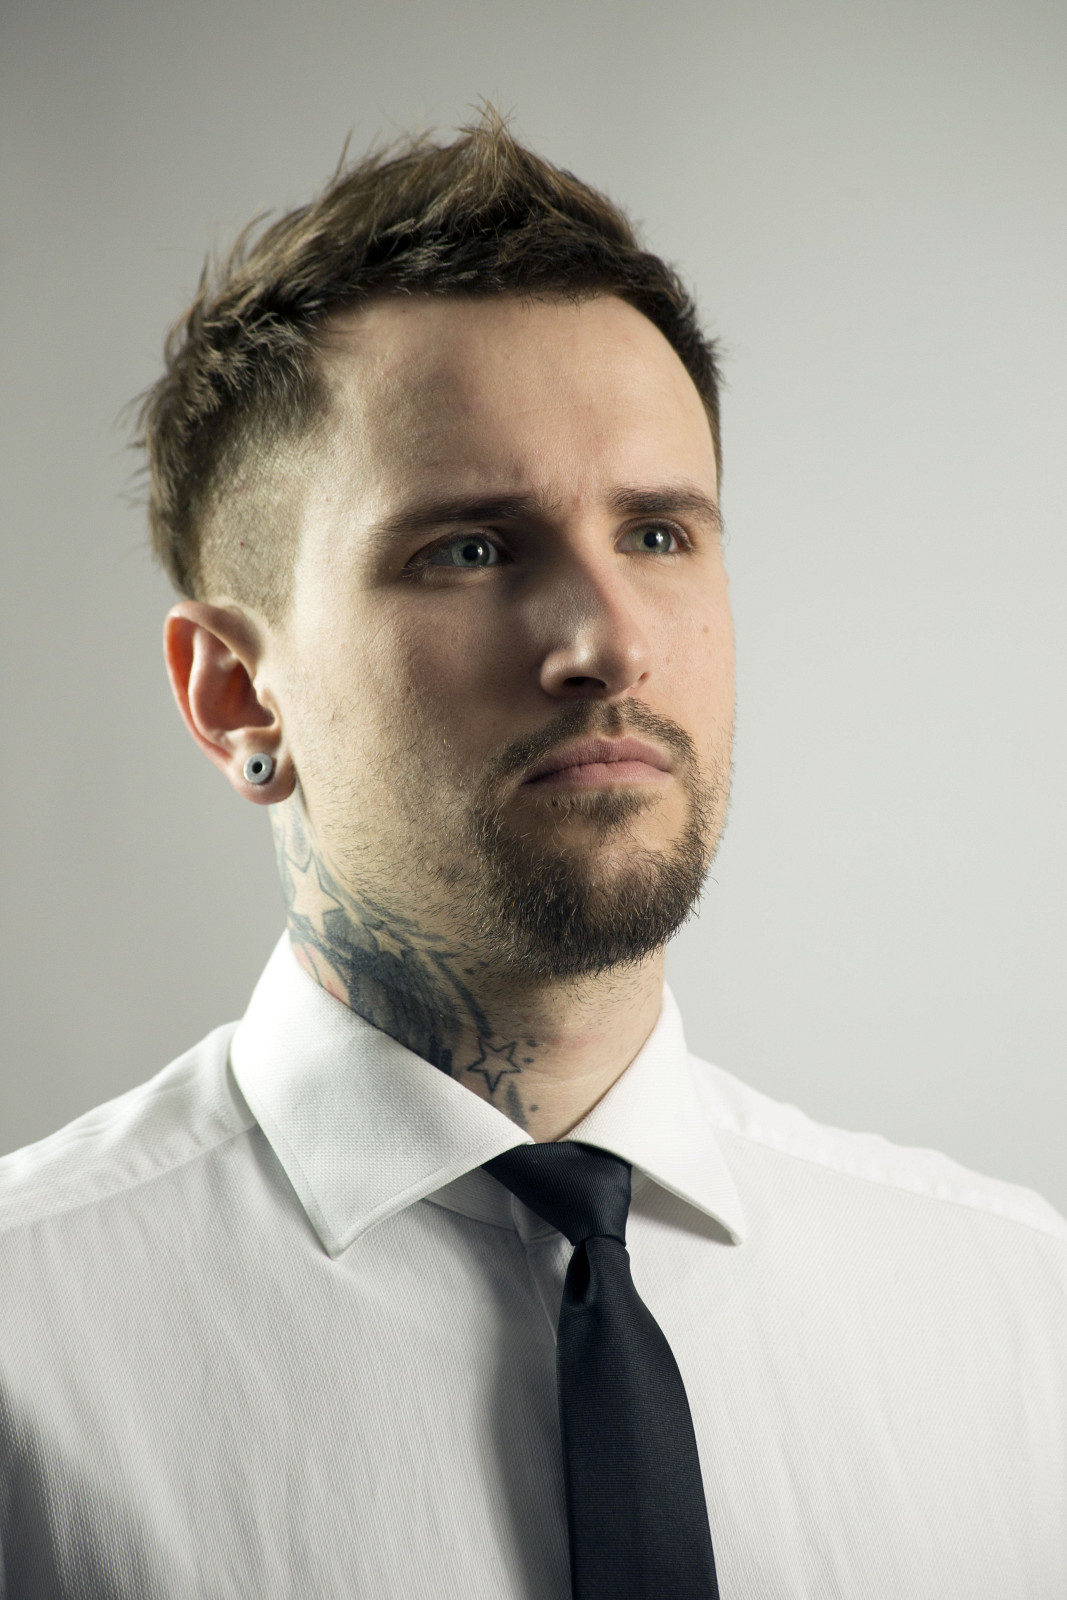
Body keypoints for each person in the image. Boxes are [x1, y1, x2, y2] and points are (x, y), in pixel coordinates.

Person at [0, 110, 1063, 1600]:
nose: (609, 643)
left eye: (660, 535)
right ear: (237, 694)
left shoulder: (1014, 1316)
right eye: (472, 549)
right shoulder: (28, 1356)